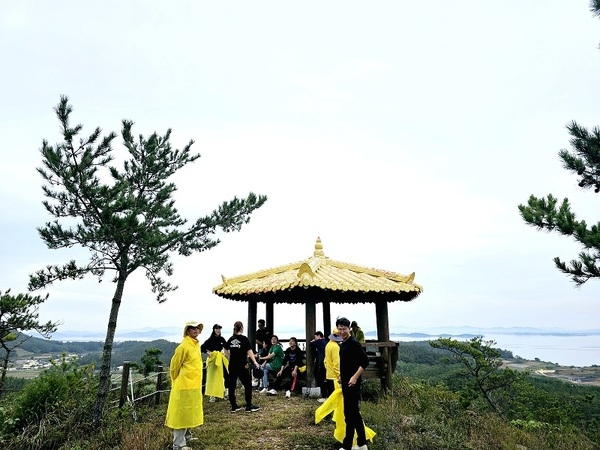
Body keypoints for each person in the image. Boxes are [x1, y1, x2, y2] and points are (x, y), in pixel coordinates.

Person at [165, 320, 205, 450]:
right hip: (183, 385)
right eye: (192, 328)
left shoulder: (196, 345)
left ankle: (188, 436)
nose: (195, 330)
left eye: (197, 328)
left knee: (190, 411)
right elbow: (174, 367)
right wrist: (176, 380)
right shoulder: (183, 346)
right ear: (187, 330)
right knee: (181, 414)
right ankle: (178, 444)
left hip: (194, 385)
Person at [337, 316, 369, 450]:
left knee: (351, 414)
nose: (342, 331)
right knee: (352, 414)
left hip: (353, 383)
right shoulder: (343, 344)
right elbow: (346, 363)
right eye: (340, 329)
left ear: (349, 329)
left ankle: (348, 445)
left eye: (344, 329)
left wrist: (355, 377)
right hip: (345, 382)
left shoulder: (354, 343)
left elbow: (364, 362)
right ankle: (361, 444)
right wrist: (340, 375)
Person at [224, 321, 261, 413]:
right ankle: (248, 405)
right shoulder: (244, 339)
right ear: (242, 328)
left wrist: (230, 357)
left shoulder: (231, 339)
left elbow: (225, 348)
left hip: (232, 365)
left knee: (232, 386)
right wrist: (255, 362)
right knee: (247, 385)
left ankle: (234, 406)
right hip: (242, 365)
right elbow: (249, 351)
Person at [201, 324, 229, 402]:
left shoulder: (222, 339)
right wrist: (208, 353)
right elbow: (202, 348)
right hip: (213, 360)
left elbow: (226, 347)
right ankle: (212, 395)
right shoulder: (210, 339)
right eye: (217, 329)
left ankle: (226, 393)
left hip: (221, 359)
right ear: (213, 330)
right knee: (212, 377)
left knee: (226, 375)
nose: (218, 330)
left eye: (219, 329)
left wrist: (226, 354)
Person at [322, 328, 343, 402]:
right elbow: (336, 362)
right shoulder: (335, 347)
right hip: (335, 376)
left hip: (329, 374)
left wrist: (328, 369)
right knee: (336, 398)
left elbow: (325, 361)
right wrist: (338, 374)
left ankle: (328, 412)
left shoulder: (328, 345)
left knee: (330, 396)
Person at [309, 331, 327, 400]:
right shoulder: (326, 341)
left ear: (319, 336)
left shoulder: (319, 341)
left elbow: (310, 344)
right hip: (326, 362)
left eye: (315, 337)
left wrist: (313, 340)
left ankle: (323, 395)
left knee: (320, 378)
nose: (315, 338)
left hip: (321, 362)